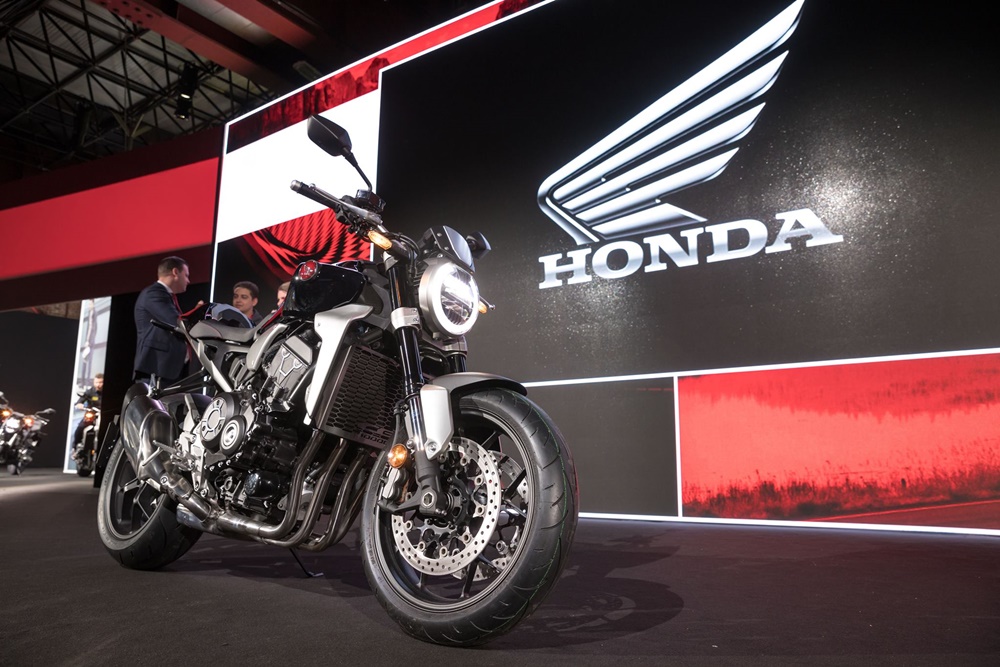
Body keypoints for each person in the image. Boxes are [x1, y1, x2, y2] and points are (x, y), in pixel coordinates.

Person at [134, 256, 190, 386]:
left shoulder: (166, 296)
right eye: (186, 275)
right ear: (175, 272)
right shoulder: (154, 293)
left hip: (167, 370)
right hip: (156, 369)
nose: (188, 280)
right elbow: (175, 322)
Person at [72, 374, 103, 455]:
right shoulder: (90, 392)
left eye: (100, 382)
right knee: (80, 427)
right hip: (91, 415)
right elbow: (81, 400)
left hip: (103, 416)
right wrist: (79, 404)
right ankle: (75, 448)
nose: (98, 385)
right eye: (96, 382)